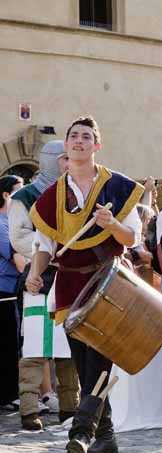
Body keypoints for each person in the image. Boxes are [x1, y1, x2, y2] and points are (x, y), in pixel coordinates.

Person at [27, 116, 144, 453]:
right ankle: (106, 436)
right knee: (82, 363)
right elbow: (44, 245)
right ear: (66, 146)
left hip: (108, 281)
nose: (79, 141)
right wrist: (35, 274)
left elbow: (133, 237)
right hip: (71, 282)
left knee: (101, 361)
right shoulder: (51, 198)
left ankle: (82, 432)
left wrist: (113, 224)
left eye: (87, 136)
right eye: (74, 136)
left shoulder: (117, 188)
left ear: (97, 145)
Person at [9, 141, 81, 430]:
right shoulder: (25, 197)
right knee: (36, 345)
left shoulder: (75, 194)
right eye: (64, 157)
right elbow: (18, 236)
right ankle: (29, 409)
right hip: (38, 275)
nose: (69, 161)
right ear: (52, 160)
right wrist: (48, 249)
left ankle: (69, 407)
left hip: (67, 275)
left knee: (67, 346)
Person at [1, 175, 24, 410]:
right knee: (7, 345)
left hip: (11, 289)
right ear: (6, 195)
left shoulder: (11, 222)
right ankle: (7, 394)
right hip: (4, 290)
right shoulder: (1, 224)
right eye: (19, 191)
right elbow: (16, 258)